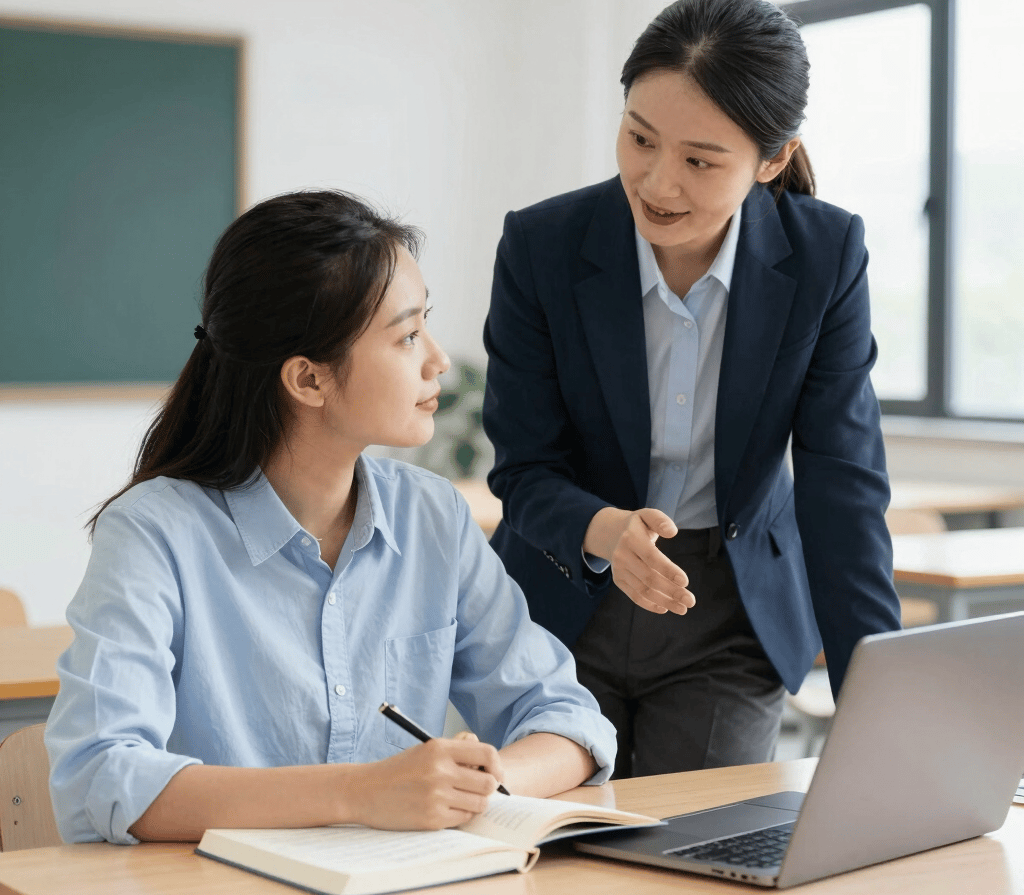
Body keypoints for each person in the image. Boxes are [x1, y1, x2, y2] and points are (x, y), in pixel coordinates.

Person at [45, 190, 616, 845]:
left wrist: (483, 781)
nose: (437, 359)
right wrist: (358, 791)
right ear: (308, 380)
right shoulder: (153, 532)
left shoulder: (432, 516)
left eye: (425, 323)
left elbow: (569, 718)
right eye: (406, 336)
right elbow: (105, 775)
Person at [482, 0, 901, 779]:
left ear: (771, 161)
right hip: (565, 595)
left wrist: (881, 715)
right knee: (551, 854)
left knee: (702, 850)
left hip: (731, 615)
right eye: (639, 137)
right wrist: (608, 529)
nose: (656, 180)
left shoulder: (825, 256)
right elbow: (523, 470)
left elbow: (843, 489)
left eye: (701, 160)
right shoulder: (542, 246)